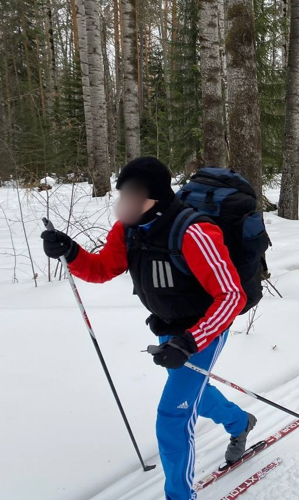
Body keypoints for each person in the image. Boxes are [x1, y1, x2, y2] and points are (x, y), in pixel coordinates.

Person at [41, 157, 255, 500]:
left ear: (155, 198)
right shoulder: (128, 229)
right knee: (189, 392)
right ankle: (239, 423)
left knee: (172, 416)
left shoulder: (193, 232)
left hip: (204, 331)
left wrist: (190, 341)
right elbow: (101, 269)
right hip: (168, 330)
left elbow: (231, 297)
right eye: (122, 197)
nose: (123, 206)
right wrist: (70, 251)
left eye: (132, 198)